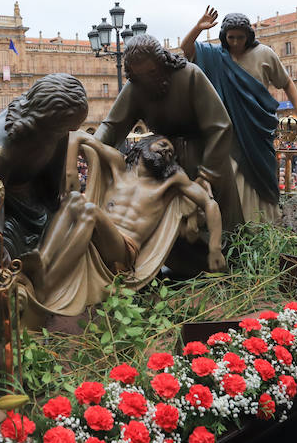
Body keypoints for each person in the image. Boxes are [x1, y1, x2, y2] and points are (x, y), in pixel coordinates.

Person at [29, 133, 225, 317]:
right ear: (143, 145)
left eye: (171, 153)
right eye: (163, 145)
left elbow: (209, 203)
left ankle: (46, 287)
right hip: (96, 236)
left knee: (90, 211)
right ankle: (42, 261)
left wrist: (215, 248)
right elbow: (76, 135)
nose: (167, 152)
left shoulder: (170, 180)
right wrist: (71, 170)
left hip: (123, 250)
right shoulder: (118, 164)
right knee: (73, 198)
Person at [181, 8, 297, 222]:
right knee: (234, 177)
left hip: (258, 129)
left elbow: (287, 83)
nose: (235, 42)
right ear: (224, 37)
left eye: (241, 37)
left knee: (264, 175)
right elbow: (185, 49)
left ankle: (266, 224)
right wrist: (198, 28)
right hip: (229, 131)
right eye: (231, 37)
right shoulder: (215, 55)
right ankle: (239, 226)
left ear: (249, 36)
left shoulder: (264, 53)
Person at [94, 35, 242, 231]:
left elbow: (220, 126)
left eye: (151, 72)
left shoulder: (190, 75)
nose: (147, 80)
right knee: (172, 233)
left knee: (222, 227)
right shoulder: (136, 86)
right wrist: (91, 145)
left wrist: (207, 175)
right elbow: (112, 126)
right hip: (165, 160)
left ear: (162, 62)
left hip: (207, 157)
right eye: (139, 75)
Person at [0, 73, 90, 260]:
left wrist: (57, 208)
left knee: (73, 223)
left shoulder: (57, 127)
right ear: (47, 120)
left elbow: (54, 184)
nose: (69, 133)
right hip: (3, 212)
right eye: (66, 129)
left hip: (37, 202)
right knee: (5, 250)